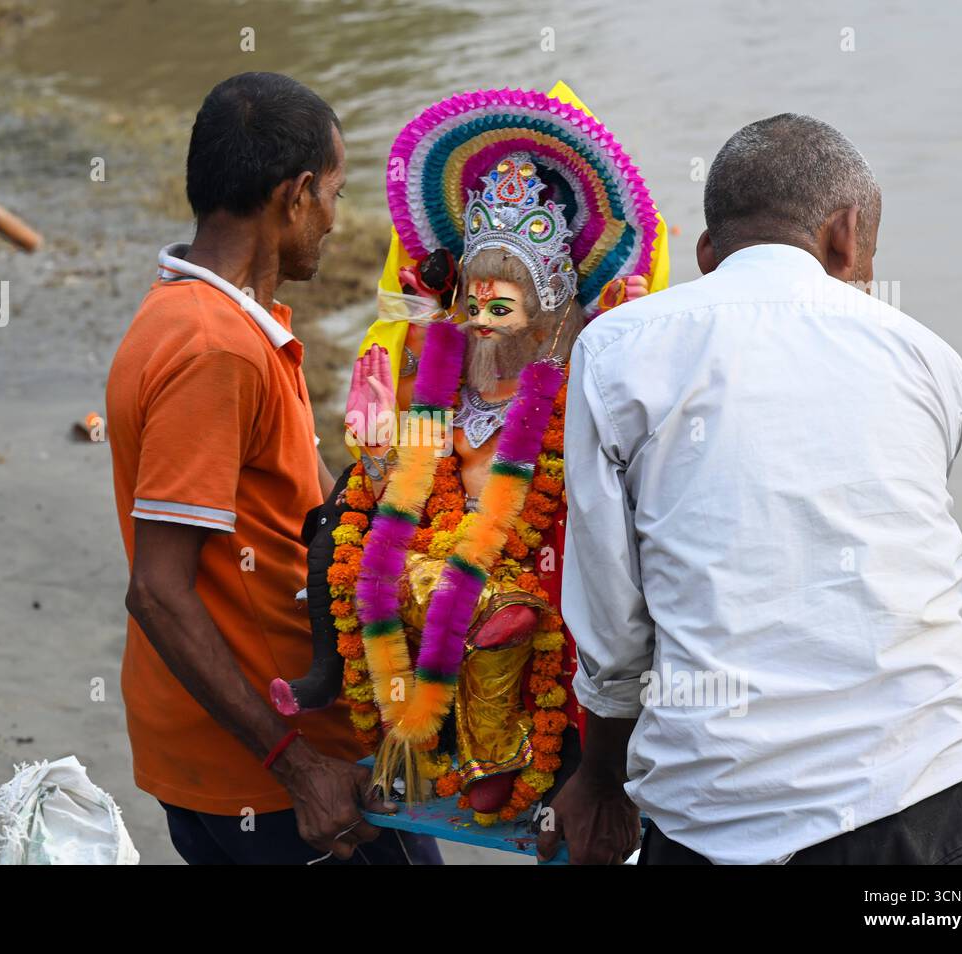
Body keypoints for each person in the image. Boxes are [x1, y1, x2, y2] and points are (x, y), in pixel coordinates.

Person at [540, 113, 962, 865]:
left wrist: (600, 781)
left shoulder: (618, 351)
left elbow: (611, 627)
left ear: (706, 254)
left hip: (716, 817)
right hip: (929, 802)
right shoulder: (929, 358)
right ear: (846, 237)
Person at [271, 84, 669, 827]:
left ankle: (509, 762)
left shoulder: (578, 379)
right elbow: (412, 466)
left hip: (529, 554)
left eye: (502, 311)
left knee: (503, 609)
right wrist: (381, 453)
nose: (482, 325)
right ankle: (377, 716)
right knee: (347, 535)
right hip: (436, 537)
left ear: (546, 307)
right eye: (474, 307)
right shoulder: (445, 371)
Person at [105, 72, 436, 864]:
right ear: (294, 196)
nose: (332, 219)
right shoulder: (214, 350)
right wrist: (294, 765)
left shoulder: (209, 319)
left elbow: (300, 520)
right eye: (333, 195)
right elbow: (157, 587)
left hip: (234, 750)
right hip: (268, 768)